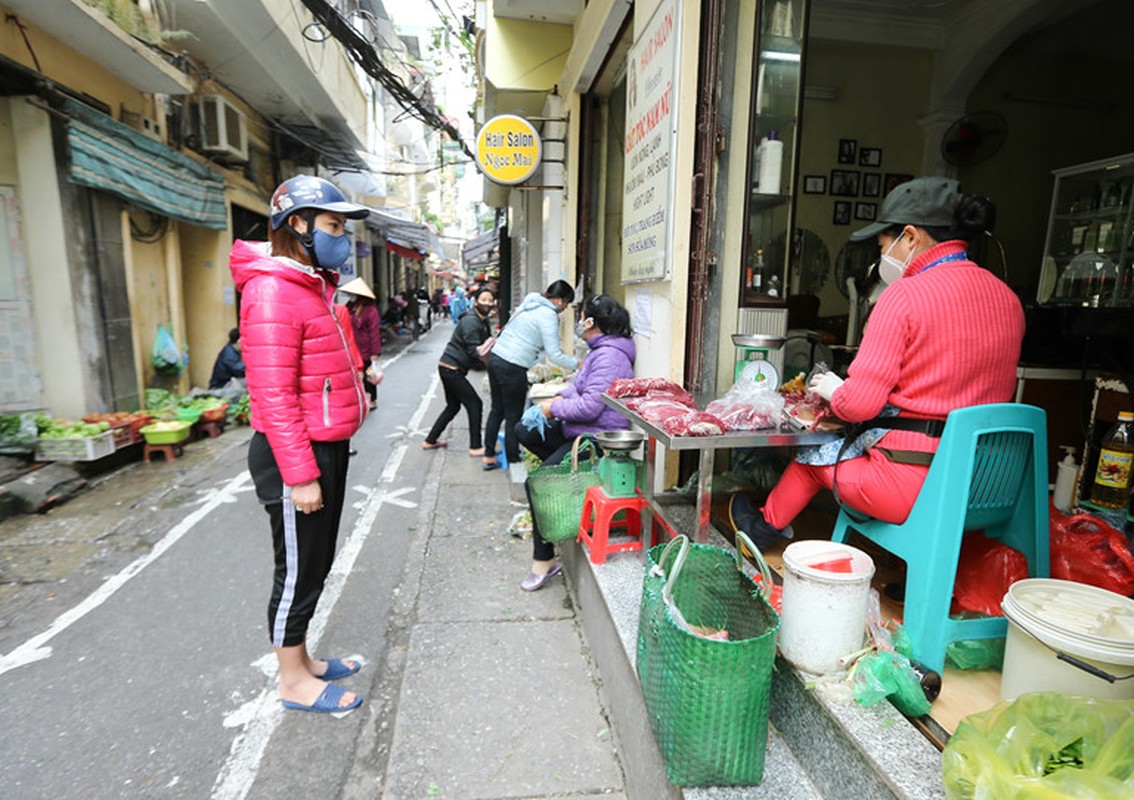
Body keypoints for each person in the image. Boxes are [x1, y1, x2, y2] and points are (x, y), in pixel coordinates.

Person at [730, 177, 1025, 548]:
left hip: (911, 488)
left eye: (884, 245)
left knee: (812, 455)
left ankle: (764, 528)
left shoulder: (904, 296)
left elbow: (858, 406)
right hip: (983, 486)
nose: (881, 256)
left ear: (911, 237)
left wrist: (838, 389)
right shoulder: (1007, 298)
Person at [229, 174, 371, 715]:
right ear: (299, 225)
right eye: (334, 225)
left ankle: (302, 658)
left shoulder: (311, 282)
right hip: (296, 453)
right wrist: (300, 473)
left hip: (320, 446)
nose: (342, 237)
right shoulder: (272, 289)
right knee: (296, 567)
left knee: (314, 562)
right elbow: (273, 391)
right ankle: (292, 679)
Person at [515, 294, 635, 590]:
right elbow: (580, 389)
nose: (580, 323)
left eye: (583, 317)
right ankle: (563, 476)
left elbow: (590, 407)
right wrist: (559, 395)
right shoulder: (600, 350)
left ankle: (544, 560)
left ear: (592, 322)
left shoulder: (610, 356)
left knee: (535, 484)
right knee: (525, 430)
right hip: (578, 429)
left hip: (595, 438)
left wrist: (552, 407)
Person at [482, 280, 579, 470]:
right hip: (512, 366)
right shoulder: (548, 314)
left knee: (497, 410)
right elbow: (554, 354)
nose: (565, 308)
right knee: (513, 416)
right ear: (560, 300)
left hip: (496, 359)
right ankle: (513, 460)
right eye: (567, 303)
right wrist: (578, 364)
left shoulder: (530, 303)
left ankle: (488, 456)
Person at [422, 288, 497, 454]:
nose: (487, 303)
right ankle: (475, 446)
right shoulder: (471, 321)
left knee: (453, 407)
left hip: (449, 368)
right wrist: (489, 363)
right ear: (476, 302)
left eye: (490, 300)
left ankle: (430, 440)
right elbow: (473, 350)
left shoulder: (481, 320)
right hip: (452, 369)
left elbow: (482, 345)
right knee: (475, 404)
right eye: (483, 299)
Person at [339, 276, 384, 410]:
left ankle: (372, 399)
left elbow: (374, 332)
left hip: (366, 351)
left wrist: (375, 353)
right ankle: (360, 398)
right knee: (356, 376)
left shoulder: (371, 311)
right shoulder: (350, 307)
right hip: (353, 348)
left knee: (369, 375)